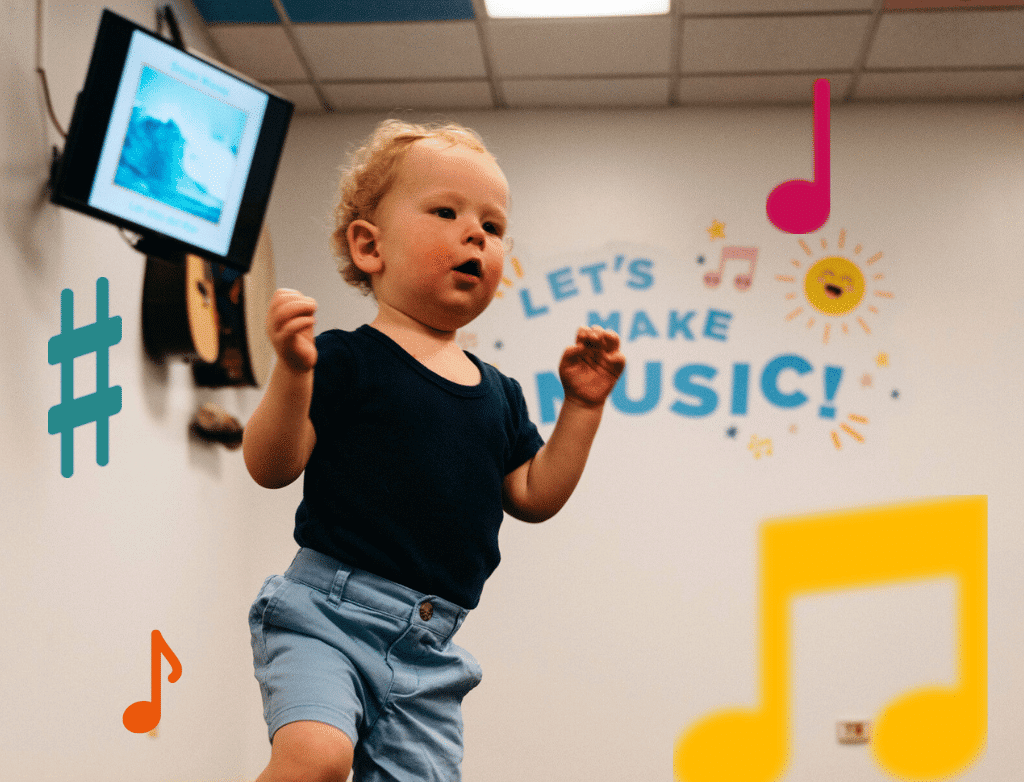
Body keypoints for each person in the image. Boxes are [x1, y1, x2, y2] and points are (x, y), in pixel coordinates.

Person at [242, 119, 625, 782]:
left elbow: (534, 495)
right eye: (446, 212)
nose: (475, 233)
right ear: (370, 246)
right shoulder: (345, 358)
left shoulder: (499, 394)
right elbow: (270, 466)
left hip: (427, 651)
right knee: (317, 758)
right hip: (325, 617)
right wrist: (293, 370)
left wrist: (583, 408)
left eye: (493, 225)